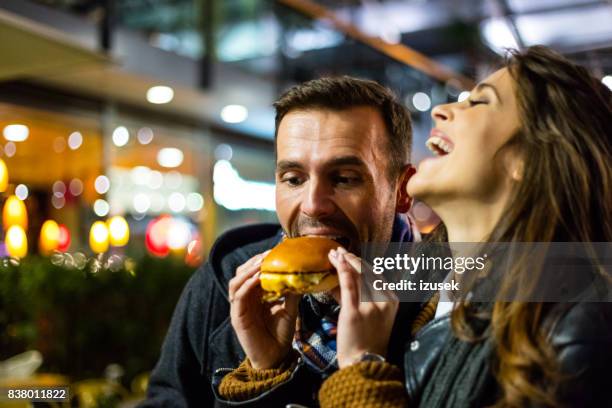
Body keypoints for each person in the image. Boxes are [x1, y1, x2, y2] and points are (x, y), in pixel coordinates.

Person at [314, 46, 612, 407]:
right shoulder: (412, 290)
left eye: (479, 103)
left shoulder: (579, 332)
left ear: (530, 158)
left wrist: (363, 369)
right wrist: (268, 366)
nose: (442, 110)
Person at [140, 76, 420, 407]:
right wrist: (262, 373)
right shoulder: (227, 278)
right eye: (294, 179)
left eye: (345, 178)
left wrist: (366, 370)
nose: (313, 204)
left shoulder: (446, 297)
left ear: (402, 191)